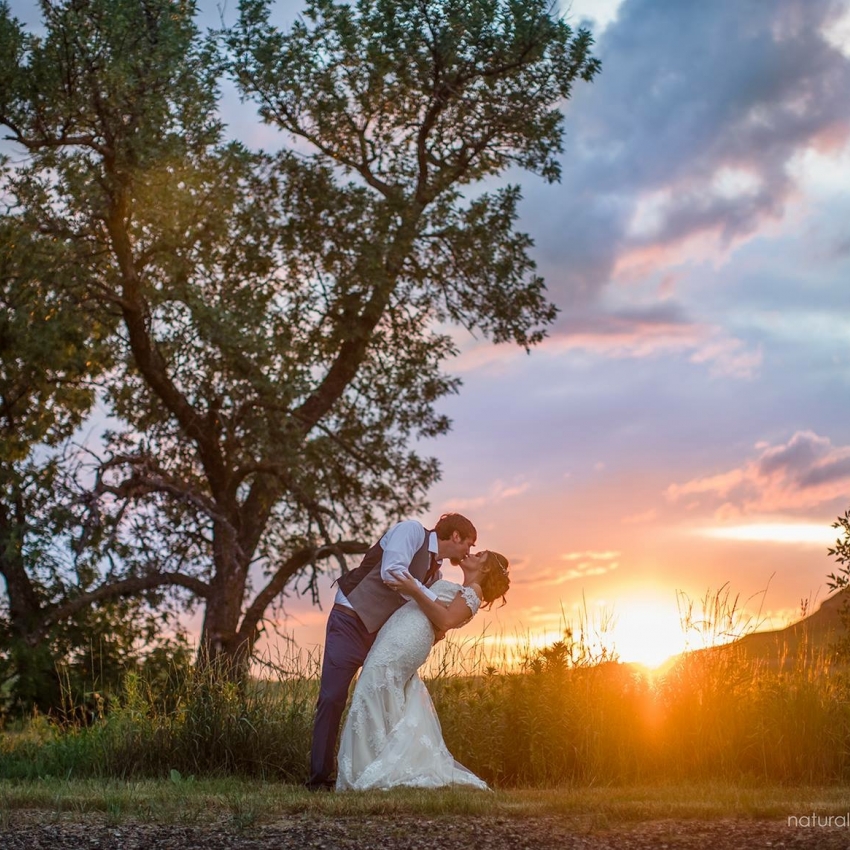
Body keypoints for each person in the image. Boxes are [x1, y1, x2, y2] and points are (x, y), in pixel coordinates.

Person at [306, 513, 477, 791]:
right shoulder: (411, 532)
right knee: (332, 697)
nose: (468, 551)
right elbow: (392, 572)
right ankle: (319, 778)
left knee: (377, 701)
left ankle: (372, 769)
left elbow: (420, 605)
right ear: (456, 535)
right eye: (469, 544)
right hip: (351, 620)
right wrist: (430, 598)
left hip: (384, 636)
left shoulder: (437, 573)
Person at [335, 549, 510, 791]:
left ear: (486, 568)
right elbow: (441, 629)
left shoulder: (474, 593)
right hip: (404, 632)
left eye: (478, 555)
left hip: (407, 638)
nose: (471, 554)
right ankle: (379, 762)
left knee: (372, 687)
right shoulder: (461, 589)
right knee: (382, 690)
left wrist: (415, 589)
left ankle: (368, 768)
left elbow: (447, 620)